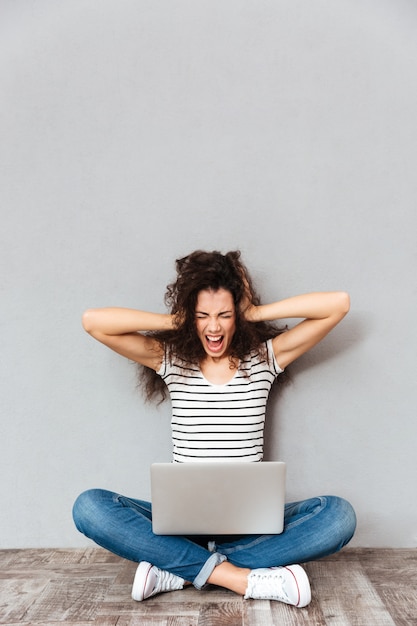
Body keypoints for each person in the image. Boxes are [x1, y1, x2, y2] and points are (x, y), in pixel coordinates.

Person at [73, 250, 356, 608]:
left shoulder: (263, 360)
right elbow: (93, 321)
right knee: (89, 507)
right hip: (183, 525)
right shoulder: (171, 361)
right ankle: (237, 576)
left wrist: (253, 312)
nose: (214, 327)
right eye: (203, 316)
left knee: (339, 516)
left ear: (236, 316)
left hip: (251, 525)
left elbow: (338, 304)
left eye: (224, 315)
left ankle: (179, 567)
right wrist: (177, 320)